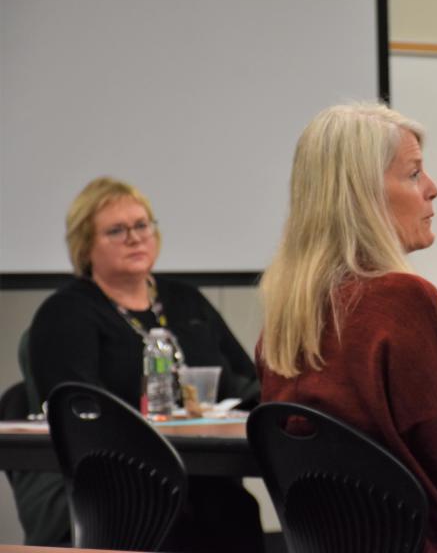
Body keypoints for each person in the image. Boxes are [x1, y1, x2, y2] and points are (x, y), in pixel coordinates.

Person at [257, 103, 437, 553]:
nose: (432, 189)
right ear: (362, 195)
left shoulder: (288, 318)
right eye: (414, 174)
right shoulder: (404, 302)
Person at [21, 177, 264, 551]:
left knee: (236, 512)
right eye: (116, 231)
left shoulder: (186, 301)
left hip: (208, 477)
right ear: (85, 246)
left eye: (141, 225)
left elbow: (247, 383)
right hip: (125, 484)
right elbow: (77, 409)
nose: (134, 238)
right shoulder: (66, 313)